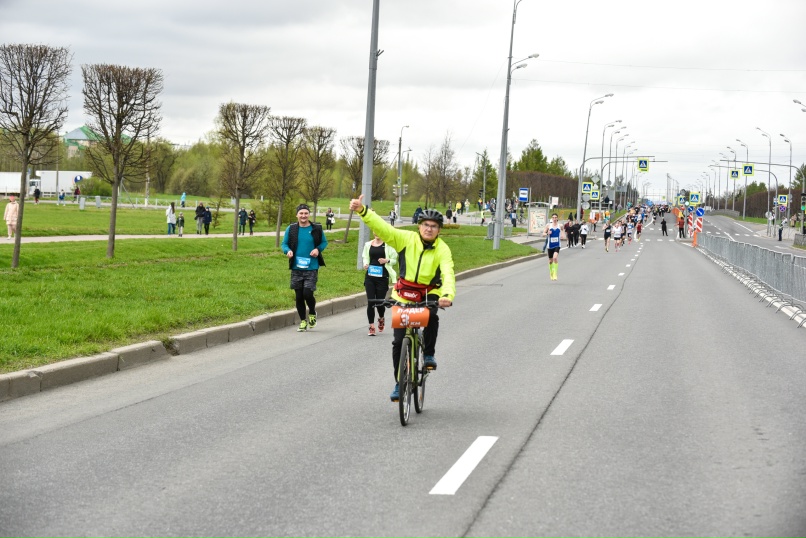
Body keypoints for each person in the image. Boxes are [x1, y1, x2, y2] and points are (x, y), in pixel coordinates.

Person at [349, 194, 455, 402]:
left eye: (434, 226)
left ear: (439, 230)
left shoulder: (442, 248)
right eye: (425, 225)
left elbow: (448, 273)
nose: (429, 229)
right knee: (398, 342)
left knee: (432, 316)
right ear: (419, 226)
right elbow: (384, 228)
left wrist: (446, 295)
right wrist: (363, 210)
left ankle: (429, 354)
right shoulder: (406, 239)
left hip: (428, 292)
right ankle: (400, 382)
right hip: (404, 293)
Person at [282, 204, 328, 332]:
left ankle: (312, 312)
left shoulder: (316, 228)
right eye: (301, 213)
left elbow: (324, 242)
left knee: (307, 293)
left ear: (309, 215)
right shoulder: (291, 229)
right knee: (298, 296)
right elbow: (284, 244)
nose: (303, 216)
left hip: (311, 266)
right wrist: (288, 251)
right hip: (296, 267)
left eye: (306, 213)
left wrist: (317, 250)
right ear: (297, 215)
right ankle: (303, 321)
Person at [362, 233, 398, 336]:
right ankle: (371, 326)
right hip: (370, 276)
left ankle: (381, 318)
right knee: (371, 302)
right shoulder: (368, 244)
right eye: (375, 231)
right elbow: (365, 257)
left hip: (382, 277)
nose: (377, 234)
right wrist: (365, 264)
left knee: (380, 302)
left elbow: (395, 259)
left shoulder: (388, 245)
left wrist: (387, 260)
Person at [543, 213, 562, 281]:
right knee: (550, 260)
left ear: (557, 218)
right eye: (553, 217)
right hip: (550, 245)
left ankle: (555, 274)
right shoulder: (548, 225)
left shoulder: (560, 225)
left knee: (555, 258)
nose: (554, 219)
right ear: (551, 218)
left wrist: (563, 235)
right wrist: (547, 233)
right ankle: (551, 272)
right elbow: (543, 233)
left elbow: (562, 231)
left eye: (555, 217)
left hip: (557, 245)